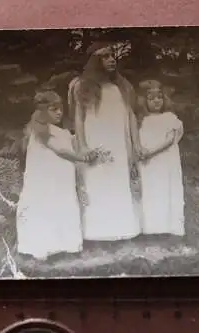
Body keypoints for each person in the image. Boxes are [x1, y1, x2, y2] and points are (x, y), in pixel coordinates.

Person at [68, 41, 142, 241]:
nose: (111, 60)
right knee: (97, 183)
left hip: (119, 142)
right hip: (96, 142)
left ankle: (122, 230)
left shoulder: (122, 85)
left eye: (111, 55)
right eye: (104, 57)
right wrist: (82, 146)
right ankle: (97, 233)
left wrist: (136, 145)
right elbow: (79, 117)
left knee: (119, 183)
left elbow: (131, 115)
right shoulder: (82, 86)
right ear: (94, 61)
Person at [16, 90, 102, 259]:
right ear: (42, 111)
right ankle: (43, 246)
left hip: (61, 181)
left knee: (62, 205)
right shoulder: (40, 132)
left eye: (60, 109)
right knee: (46, 207)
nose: (59, 112)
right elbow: (62, 151)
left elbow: (73, 142)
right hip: (46, 182)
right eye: (53, 109)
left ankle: (64, 244)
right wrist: (81, 158)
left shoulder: (61, 132)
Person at [137, 79, 185, 236]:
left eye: (159, 97)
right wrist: (141, 152)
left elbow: (169, 140)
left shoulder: (169, 117)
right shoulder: (142, 120)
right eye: (151, 98)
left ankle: (169, 227)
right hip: (149, 164)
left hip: (165, 161)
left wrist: (150, 152)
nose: (156, 101)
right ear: (144, 101)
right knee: (151, 191)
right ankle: (151, 228)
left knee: (166, 190)